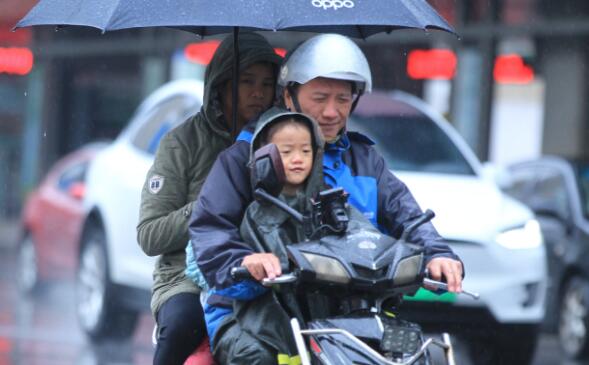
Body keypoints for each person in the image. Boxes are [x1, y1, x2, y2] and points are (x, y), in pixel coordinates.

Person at [189, 33, 464, 362]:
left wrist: (437, 254)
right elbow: (210, 227)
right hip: (257, 311)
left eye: (343, 99)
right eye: (319, 98)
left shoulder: (365, 159)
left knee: (415, 354)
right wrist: (245, 263)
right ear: (289, 96)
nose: (332, 111)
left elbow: (406, 215)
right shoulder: (245, 157)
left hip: (355, 312)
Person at [136, 32, 282, 365]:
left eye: (266, 83)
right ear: (220, 83)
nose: (258, 93)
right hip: (187, 274)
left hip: (267, 267)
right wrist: (213, 201)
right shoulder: (182, 142)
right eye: (246, 81)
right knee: (183, 323)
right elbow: (150, 235)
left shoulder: (284, 139)